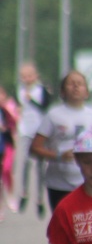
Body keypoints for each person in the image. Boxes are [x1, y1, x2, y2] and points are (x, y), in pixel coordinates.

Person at [30, 70, 92, 214]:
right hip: (59, 183)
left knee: (85, 228)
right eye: (71, 83)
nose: (76, 86)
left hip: (87, 182)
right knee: (63, 228)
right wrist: (59, 156)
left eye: (80, 84)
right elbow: (35, 148)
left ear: (86, 92)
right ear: (62, 92)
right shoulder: (53, 115)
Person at [13, 61, 50, 218]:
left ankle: (40, 199)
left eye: (29, 76)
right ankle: (23, 192)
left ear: (35, 76)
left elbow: (45, 107)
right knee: (25, 163)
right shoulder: (19, 91)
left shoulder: (41, 90)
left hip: (39, 132)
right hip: (25, 131)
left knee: (40, 167)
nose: (27, 79)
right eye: (24, 76)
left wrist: (32, 100)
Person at [0, 85, 17, 219]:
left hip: (6, 144)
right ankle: (1, 207)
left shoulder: (7, 109)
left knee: (6, 170)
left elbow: (15, 122)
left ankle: (10, 195)